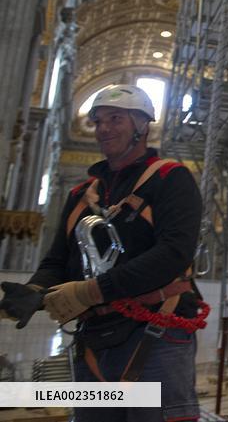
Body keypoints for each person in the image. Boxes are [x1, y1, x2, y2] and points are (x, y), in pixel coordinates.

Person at [0, 84, 206, 422]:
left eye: (116, 118)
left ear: (143, 126)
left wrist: (94, 290)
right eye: (97, 121)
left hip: (155, 335)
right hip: (95, 338)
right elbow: (57, 260)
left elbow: (173, 254)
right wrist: (36, 291)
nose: (105, 128)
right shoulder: (82, 194)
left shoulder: (171, 178)